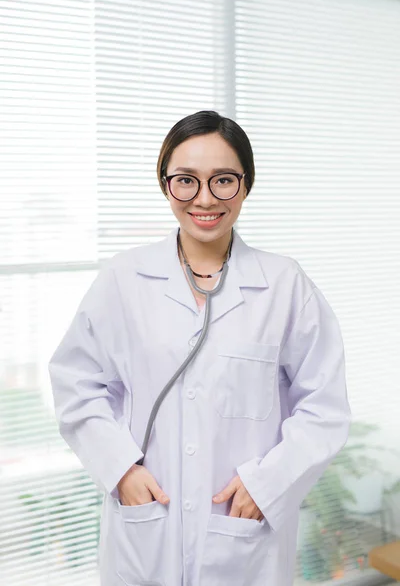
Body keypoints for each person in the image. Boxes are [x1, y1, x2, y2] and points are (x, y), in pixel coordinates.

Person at [49, 110, 351, 586]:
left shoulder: (285, 285)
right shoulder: (124, 279)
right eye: (186, 181)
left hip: (242, 531)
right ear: (165, 183)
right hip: (147, 529)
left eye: (223, 180)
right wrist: (121, 469)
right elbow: (75, 384)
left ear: (246, 184)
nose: (205, 198)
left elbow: (325, 408)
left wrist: (267, 484)